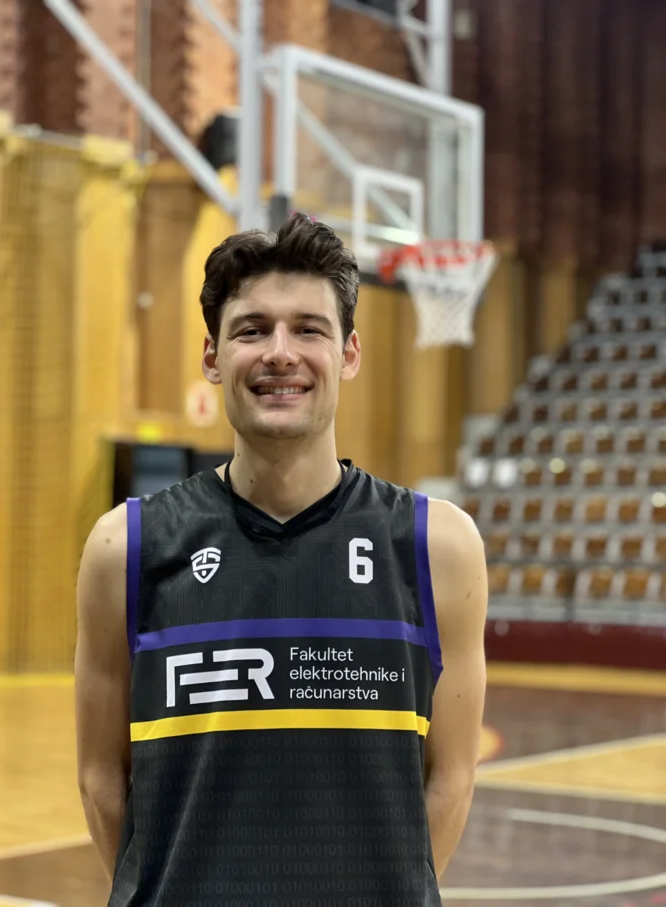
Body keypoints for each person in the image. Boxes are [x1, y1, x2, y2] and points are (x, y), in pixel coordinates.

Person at [75, 213, 488, 906]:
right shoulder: (126, 547)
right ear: (212, 356)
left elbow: (450, 778)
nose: (280, 353)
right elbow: (100, 779)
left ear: (348, 353)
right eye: (252, 329)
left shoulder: (436, 545)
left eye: (308, 329)